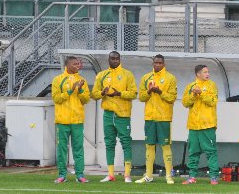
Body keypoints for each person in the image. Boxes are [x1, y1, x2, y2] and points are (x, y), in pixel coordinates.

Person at [92, 51, 137, 183]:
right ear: (108, 60)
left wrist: (118, 93)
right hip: (108, 113)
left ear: (120, 59)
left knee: (126, 142)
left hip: (123, 113)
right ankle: (110, 174)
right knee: (109, 143)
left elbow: (134, 94)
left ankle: (127, 174)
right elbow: (94, 94)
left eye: (117, 58)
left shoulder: (127, 74)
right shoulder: (101, 75)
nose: (115, 60)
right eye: (112, 58)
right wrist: (102, 93)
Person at [137, 54, 177, 184]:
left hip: (164, 118)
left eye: (160, 63)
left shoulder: (170, 78)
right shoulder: (146, 78)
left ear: (164, 64)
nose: (157, 65)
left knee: (165, 146)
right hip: (149, 117)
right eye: (155, 63)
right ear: (153, 64)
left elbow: (172, 98)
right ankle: (148, 175)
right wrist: (149, 92)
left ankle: (168, 176)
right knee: (149, 146)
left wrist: (160, 92)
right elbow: (141, 98)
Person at [52, 56, 90, 183]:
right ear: (67, 65)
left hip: (77, 120)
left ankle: (80, 175)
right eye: (75, 64)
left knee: (78, 148)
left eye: (79, 63)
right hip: (62, 121)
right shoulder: (58, 80)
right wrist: (70, 90)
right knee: (62, 148)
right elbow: (56, 99)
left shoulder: (82, 80)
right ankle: (62, 175)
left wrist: (79, 90)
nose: (78, 66)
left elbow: (86, 100)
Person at [181, 64, 220, 185]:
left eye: (208, 72)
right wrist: (193, 95)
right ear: (198, 74)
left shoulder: (211, 85)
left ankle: (214, 176)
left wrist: (201, 94)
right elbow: (185, 103)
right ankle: (192, 177)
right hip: (193, 125)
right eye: (205, 72)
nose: (207, 74)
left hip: (207, 124)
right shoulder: (190, 86)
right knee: (193, 152)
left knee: (211, 151)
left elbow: (213, 101)